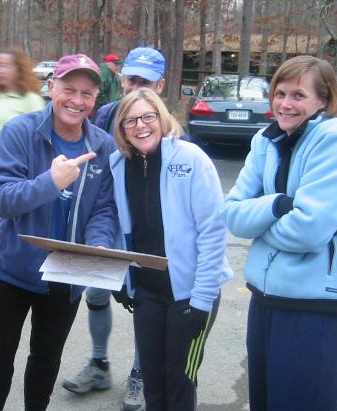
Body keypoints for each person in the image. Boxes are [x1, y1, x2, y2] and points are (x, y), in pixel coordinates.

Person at [219, 55, 337, 411]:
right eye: (280, 93)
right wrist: (277, 205)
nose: (285, 104)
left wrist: (262, 227)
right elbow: (233, 214)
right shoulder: (265, 139)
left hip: (315, 308)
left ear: (324, 100)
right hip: (266, 301)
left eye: (298, 95)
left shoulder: (334, 140)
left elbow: (308, 232)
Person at [0, 53, 119, 411]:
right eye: (69, 88)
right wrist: (50, 182)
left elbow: (104, 208)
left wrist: (99, 243)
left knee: (45, 361)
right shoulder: (21, 132)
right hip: (12, 270)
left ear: (95, 98)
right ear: (51, 87)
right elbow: (0, 197)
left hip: (66, 276)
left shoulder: (103, 145)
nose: (76, 100)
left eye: (87, 93)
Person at [109, 87, 232, 410]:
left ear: (162, 119)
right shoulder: (118, 166)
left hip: (191, 295)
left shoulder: (191, 160)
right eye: (130, 121)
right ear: (122, 129)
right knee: (153, 382)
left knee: (180, 383)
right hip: (148, 292)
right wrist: (122, 279)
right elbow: (122, 230)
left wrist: (202, 299)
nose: (140, 126)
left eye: (148, 116)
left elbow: (213, 232)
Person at [62, 46, 167, 411]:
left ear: (161, 84)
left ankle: (141, 372)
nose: (136, 86)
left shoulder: (166, 126)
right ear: (121, 79)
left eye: (146, 81)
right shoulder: (105, 115)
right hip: (106, 223)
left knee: (144, 303)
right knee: (95, 294)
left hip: (148, 230)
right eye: (131, 78)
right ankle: (99, 364)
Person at [0, 48, 45, 184]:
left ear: (18, 69)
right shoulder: (0, 96)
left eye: (4, 66)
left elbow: (42, 140)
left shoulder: (32, 100)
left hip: (19, 172)